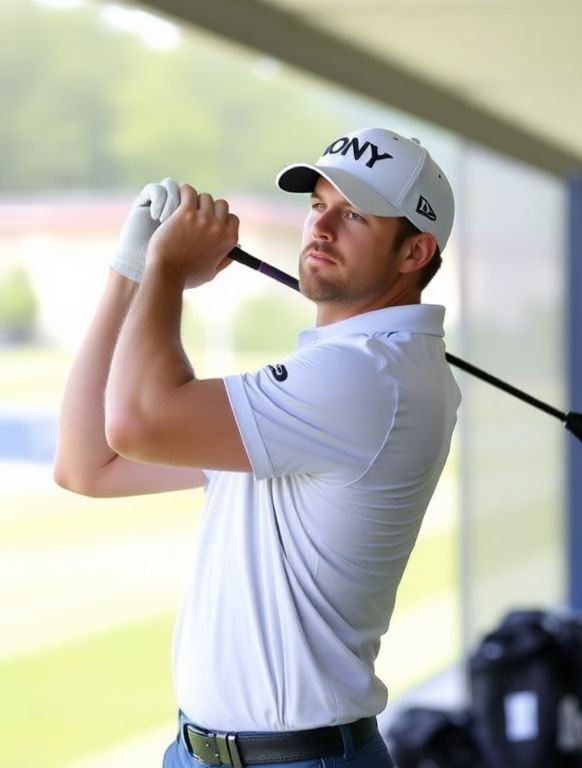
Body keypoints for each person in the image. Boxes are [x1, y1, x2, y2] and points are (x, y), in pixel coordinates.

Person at [53, 127, 461, 768]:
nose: (320, 229)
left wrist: (163, 268)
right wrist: (128, 273)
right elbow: (89, 464)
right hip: (202, 750)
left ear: (414, 252)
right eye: (317, 205)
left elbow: (136, 421)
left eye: (354, 215)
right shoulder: (349, 371)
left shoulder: (366, 378)